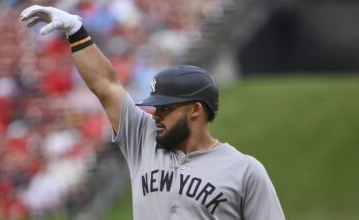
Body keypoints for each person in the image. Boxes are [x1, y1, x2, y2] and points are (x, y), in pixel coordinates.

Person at [20, 5, 285, 220]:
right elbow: (108, 87)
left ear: (195, 110)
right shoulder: (143, 139)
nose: (155, 114)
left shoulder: (245, 171)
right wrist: (77, 32)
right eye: (156, 106)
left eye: (166, 108)